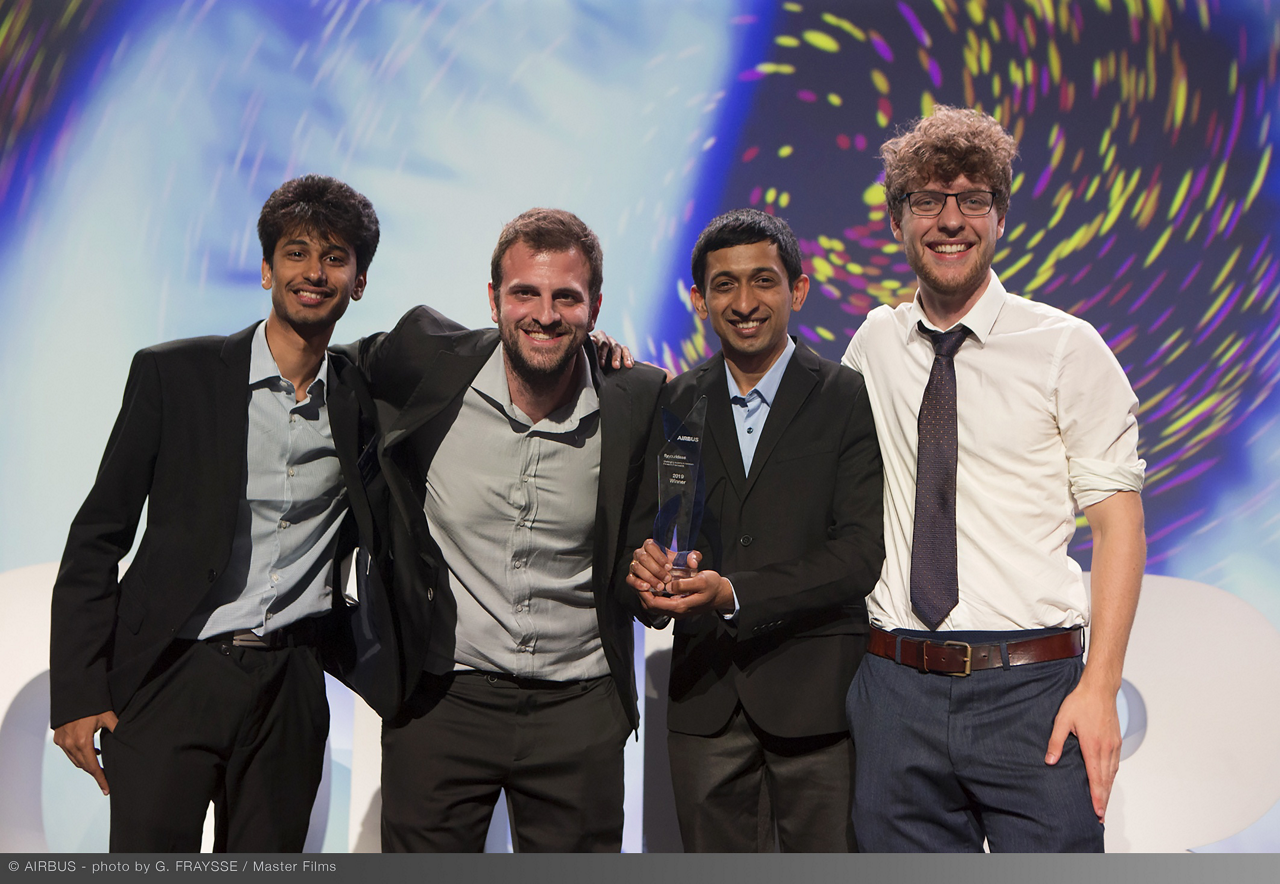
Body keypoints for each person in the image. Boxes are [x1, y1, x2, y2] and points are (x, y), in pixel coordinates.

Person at [842, 105, 1147, 852]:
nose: (951, 220)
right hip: (893, 689)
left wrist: (1099, 689)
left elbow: (1118, 528)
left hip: (1033, 694)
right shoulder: (874, 344)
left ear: (1000, 216)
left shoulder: (1067, 349)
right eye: (927, 200)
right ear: (897, 220)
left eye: (972, 199)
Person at [50, 175, 383, 851]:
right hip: (172, 675)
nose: (314, 273)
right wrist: (78, 691)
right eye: (295, 253)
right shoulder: (174, 376)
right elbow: (97, 536)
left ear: (359, 281)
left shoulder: (367, 397)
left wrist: (598, 353)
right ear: (266, 270)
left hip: (291, 682)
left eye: (335, 258)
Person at [353, 208, 666, 852]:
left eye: (566, 298)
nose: (545, 314)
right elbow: (322, 371)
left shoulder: (637, 398)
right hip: (442, 699)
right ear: (493, 298)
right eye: (525, 292)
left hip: (578, 709)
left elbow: (643, 547)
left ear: (595, 306)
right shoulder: (424, 360)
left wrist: (657, 584)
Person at [624, 208, 884, 852]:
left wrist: (732, 592)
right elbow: (651, 532)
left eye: (763, 281)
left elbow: (858, 555)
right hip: (703, 698)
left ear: (797, 289)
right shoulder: (676, 400)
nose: (744, 302)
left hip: (818, 704)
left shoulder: (845, 396)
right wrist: (647, 581)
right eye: (724, 285)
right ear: (698, 300)